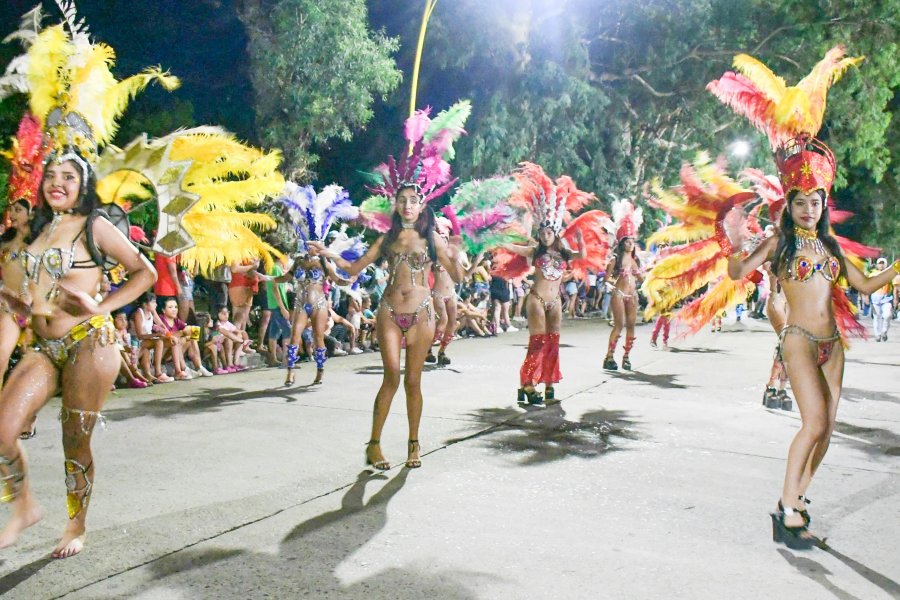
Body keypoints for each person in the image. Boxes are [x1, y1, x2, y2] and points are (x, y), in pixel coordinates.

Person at [0, 152, 157, 558]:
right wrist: (16, 303)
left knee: (75, 440)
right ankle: (25, 506)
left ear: (83, 186)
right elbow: (31, 297)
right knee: (2, 429)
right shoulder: (35, 230)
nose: (58, 182)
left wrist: (100, 305)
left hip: (90, 341)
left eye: (69, 177)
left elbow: (146, 274)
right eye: (51, 175)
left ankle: (75, 525)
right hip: (44, 347)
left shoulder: (95, 226)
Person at [310, 185, 463, 469]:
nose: (407, 206)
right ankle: (374, 445)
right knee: (391, 377)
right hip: (389, 312)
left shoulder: (431, 239)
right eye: (402, 200)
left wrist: (455, 256)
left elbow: (457, 275)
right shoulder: (387, 238)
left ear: (421, 206)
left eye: (413, 201)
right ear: (395, 204)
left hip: (421, 314)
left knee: (413, 381)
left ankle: (414, 444)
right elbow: (354, 268)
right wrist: (327, 253)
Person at [603, 200, 644, 371]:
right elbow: (606, 279)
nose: (630, 243)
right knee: (619, 325)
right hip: (619, 294)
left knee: (632, 325)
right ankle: (609, 357)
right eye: (627, 241)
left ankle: (626, 357)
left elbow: (642, 279)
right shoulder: (615, 259)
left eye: (632, 241)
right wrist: (610, 285)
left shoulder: (636, 261)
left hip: (632, 296)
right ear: (621, 243)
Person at [870, 257, 892, 341]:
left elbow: (894, 286)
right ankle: (877, 335)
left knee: (887, 315)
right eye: (880, 263)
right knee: (877, 317)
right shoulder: (872, 274)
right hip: (875, 298)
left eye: (883, 263)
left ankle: (884, 331)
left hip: (886, 298)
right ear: (877, 264)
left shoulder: (889, 274)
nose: (881, 265)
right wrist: (866, 297)